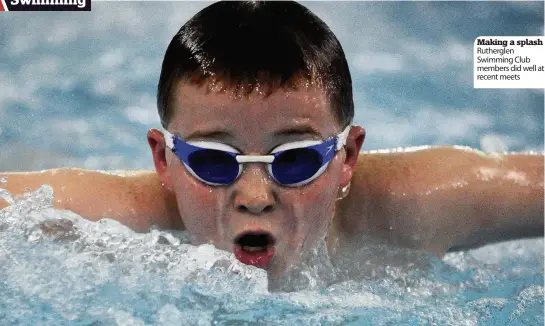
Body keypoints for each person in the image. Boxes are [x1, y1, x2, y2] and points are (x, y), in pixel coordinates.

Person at [0, 1, 543, 277]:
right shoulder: (116, 220)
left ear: (348, 157)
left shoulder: (415, 205)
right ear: (165, 160)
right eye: (213, 161)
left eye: (296, 160)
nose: (254, 195)